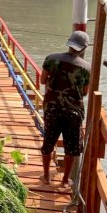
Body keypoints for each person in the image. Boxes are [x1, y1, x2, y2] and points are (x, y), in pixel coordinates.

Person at [40, 31, 91, 187]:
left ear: (69, 43)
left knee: (48, 142)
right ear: (84, 48)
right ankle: (64, 181)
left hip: (52, 109)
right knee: (71, 147)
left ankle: (47, 176)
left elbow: (42, 80)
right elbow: (84, 91)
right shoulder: (86, 67)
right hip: (74, 113)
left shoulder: (51, 59)